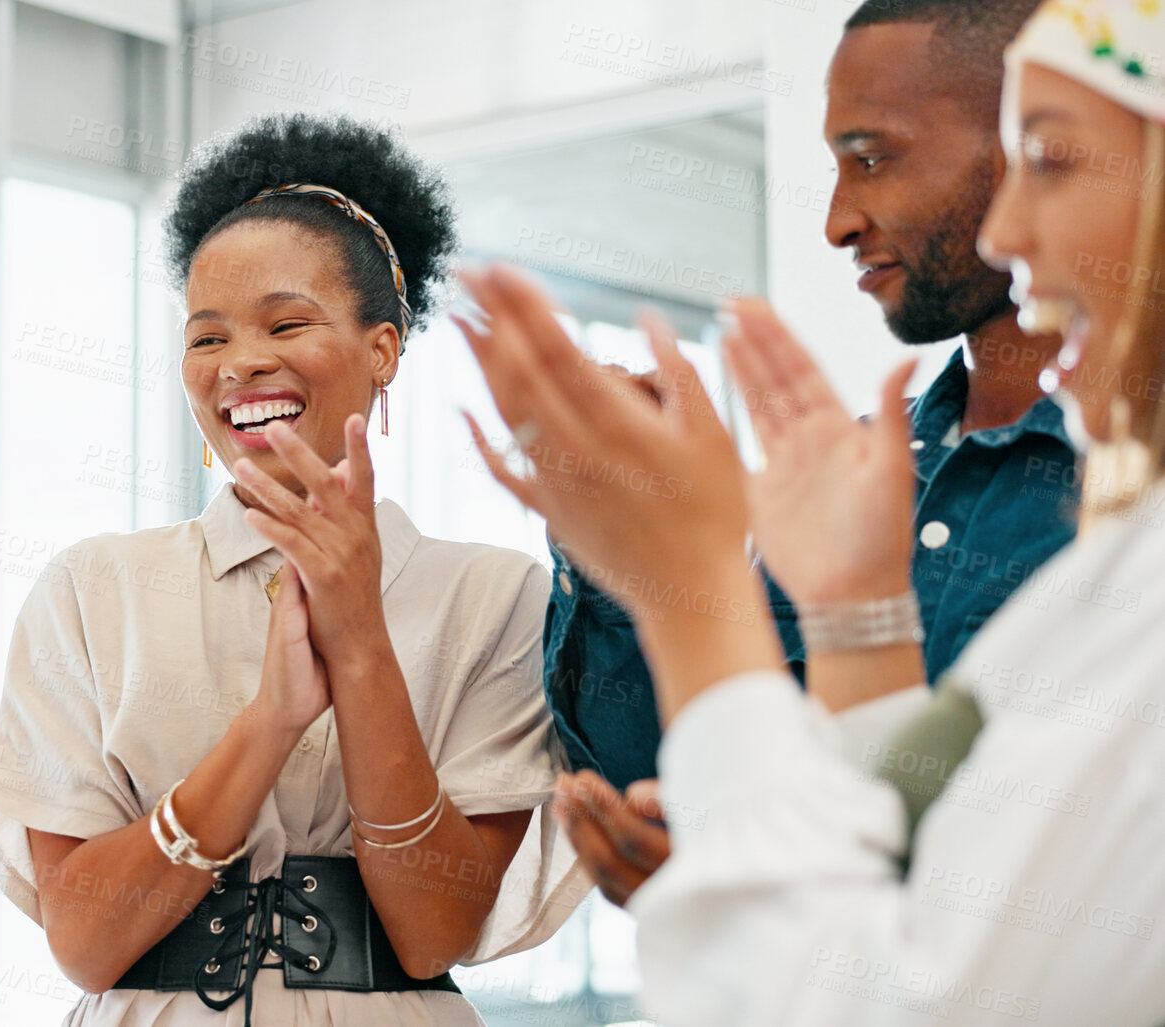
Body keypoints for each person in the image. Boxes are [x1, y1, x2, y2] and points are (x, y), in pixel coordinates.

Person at [456, 0, 1165, 1020]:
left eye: (1047, 157)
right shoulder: (873, 478)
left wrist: (696, 597)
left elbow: (903, 992)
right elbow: (891, 832)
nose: (1014, 231)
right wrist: (846, 615)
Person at [0, 114, 585, 1026]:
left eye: (286, 323)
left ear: (382, 348)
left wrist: (362, 646)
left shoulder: (494, 597)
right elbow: (86, 945)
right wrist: (268, 723)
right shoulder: (93, 591)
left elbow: (431, 931)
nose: (241, 363)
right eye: (205, 338)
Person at [547, 0, 1081, 909]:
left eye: (871, 159)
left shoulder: (1127, 473)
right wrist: (630, 541)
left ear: (1033, 145)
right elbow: (668, 772)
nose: (836, 220)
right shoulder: (849, 470)